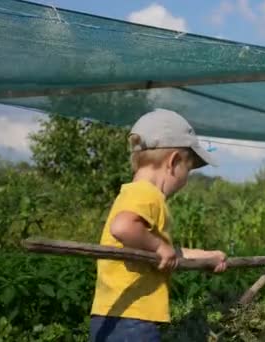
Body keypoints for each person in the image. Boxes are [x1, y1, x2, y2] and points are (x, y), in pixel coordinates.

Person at [89, 108, 228, 341]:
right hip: (133, 320)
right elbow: (122, 227)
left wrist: (208, 257)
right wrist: (159, 247)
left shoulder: (132, 195)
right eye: (189, 168)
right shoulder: (148, 195)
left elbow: (165, 252)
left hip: (109, 316)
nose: (186, 178)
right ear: (173, 162)